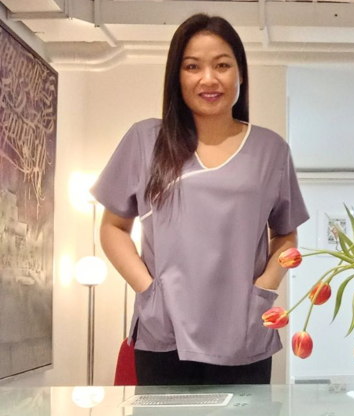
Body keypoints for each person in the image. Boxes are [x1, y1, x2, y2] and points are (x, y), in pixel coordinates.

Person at [91, 13, 309, 385]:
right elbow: (113, 227)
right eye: (193, 66)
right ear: (177, 76)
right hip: (165, 332)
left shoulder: (271, 149)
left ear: (241, 74)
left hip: (242, 332)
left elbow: (285, 235)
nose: (208, 79)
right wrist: (148, 290)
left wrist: (264, 288)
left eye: (222, 65)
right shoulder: (146, 140)